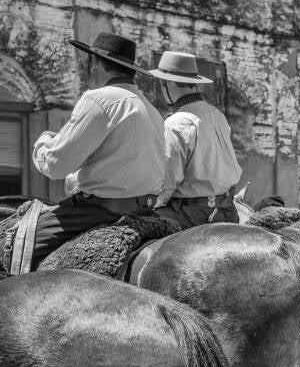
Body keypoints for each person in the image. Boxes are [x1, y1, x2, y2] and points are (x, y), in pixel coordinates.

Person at [27, 32, 165, 268]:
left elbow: (56, 165)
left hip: (97, 212)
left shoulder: (99, 99)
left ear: (96, 64)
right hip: (144, 211)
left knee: (10, 244)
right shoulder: (152, 110)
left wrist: (42, 143)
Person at [150, 51, 242, 229]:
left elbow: (167, 184)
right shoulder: (217, 116)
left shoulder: (175, 123)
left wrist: (151, 204)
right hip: (228, 211)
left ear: (166, 83)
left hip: (190, 215)